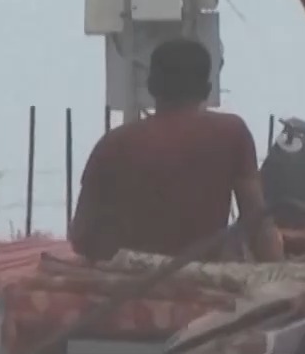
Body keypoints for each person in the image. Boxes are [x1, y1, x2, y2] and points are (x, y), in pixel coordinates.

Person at [70, 39, 283, 263]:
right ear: (207, 89)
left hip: (133, 279)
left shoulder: (112, 144)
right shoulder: (231, 132)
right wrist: (279, 272)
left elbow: (81, 236)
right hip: (204, 276)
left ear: (151, 86)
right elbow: (257, 222)